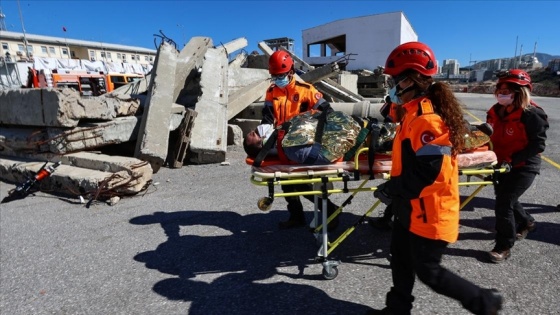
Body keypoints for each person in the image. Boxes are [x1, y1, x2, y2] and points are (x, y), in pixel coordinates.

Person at [367, 42, 503, 315]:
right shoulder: (412, 112)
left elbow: (432, 174)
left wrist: (392, 188)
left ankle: (485, 302)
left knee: (429, 271)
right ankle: (397, 309)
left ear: (410, 80)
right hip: (411, 206)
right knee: (401, 260)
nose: (391, 87)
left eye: (394, 81)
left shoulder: (427, 120)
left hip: (430, 211)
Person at [261, 50, 339, 230]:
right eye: (274, 76)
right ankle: (296, 216)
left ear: (291, 72)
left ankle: (331, 209)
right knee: (286, 182)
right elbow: (266, 117)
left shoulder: (306, 91)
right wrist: (262, 136)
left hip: (303, 143)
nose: (277, 79)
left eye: (280, 76)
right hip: (282, 141)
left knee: (299, 182)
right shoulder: (272, 92)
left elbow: (328, 113)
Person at [485, 69, 548, 263]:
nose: (502, 93)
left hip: (524, 163)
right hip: (501, 161)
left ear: (521, 91)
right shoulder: (495, 111)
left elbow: (538, 145)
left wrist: (512, 159)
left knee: (504, 203)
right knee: (507, 198)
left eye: (508, 89)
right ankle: (527, 222)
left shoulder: (532, 114)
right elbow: (489, 134)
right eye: (500, 89)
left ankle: (503, 245)